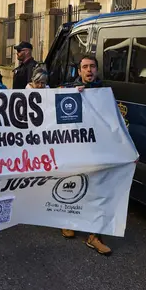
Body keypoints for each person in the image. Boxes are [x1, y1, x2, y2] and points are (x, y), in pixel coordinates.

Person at [59, 55, 110, 255]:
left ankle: (94, 236)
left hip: (97, 150)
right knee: (72, 187)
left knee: (97, 192)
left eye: (92, 67)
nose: (89, 70)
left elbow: (115, 123)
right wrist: (70, 93)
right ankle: (67, 221)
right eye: (85, 67)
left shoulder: (105, 93)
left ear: (96, 70)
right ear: (79, 71)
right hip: (75, 150)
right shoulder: (69, 91)